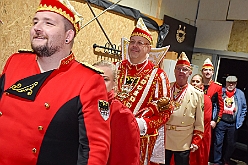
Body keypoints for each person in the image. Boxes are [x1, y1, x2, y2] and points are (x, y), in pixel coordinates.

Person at [0, 0, 111, 164]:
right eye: (35, 21)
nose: (37, 27)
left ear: (68, 36)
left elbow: (94, 151)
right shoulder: (15, 62)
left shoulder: (88, 81)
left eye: (48, 23)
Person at [115, 17, 173, 165]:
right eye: (132, 42)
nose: (134, 46)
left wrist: (144, 124)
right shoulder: (116, 68)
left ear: (148, 48)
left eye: (140, 43)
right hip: (111, 136)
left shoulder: (158, 75)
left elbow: (166, 111)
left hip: (138, 141)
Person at [93, 60, 140, 165]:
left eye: (105, 79)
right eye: (95, 77)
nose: (99, 83)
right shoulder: (79, 106)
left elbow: (128, 158)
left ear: (114, 83)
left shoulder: (122, 114)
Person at [163, 52, 204, 165]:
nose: (181, 72)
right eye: (178, 69)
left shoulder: (197, 94)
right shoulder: (166, 88)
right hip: (165, 136)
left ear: (190, 72)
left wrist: (196, 139)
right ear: (174, 71)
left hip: (184, 139)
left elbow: (199, 120)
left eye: (184, 69)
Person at [213, 76, 247, 165]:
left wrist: (240, 121)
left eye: (233, 83)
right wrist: (215, 118)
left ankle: (226, 159)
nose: (231, 84)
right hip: (221, 121)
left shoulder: (240, 94)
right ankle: (217, 161)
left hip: (233, 123)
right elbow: (216, 104)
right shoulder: (221, 91)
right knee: (218, 142)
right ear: (226, 83)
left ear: (236, 84)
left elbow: (244, 108)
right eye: (229, 82)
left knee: (231, 144)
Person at [201, 58, 224, 162]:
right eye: (205, 70)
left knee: (205, 144)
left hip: (209, 121)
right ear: (202, 72)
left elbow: (220, 106)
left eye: (210, 70)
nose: (207, 72)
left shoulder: (217, 87)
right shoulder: (197, 84)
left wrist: (215, 120)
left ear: (213, 72)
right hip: (195, 119)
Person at [190, 74, 212, 165]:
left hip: (200, 135)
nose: (195, 83)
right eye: (193, 81)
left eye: (197, 81)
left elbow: (205, 119)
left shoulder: (206, 99)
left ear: (202, 85)